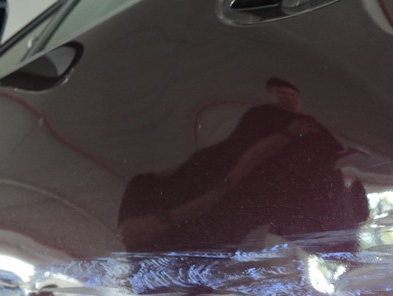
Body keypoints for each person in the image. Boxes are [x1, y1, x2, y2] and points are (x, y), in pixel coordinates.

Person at [118, 78, 367, 252]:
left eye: (292, 96)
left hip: (288, 211)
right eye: (282, 94)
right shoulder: (261, 118)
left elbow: (335, 158)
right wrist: (217, 192)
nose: (289, 100)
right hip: (225, 229)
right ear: (272, 95)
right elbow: (244, 157)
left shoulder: (312, 125)